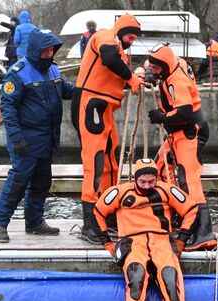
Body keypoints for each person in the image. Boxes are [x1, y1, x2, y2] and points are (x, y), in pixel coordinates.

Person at [94, 158, 197, 301]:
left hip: (161, 241)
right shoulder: (120, 192)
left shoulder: (166, 190)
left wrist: (182, 240)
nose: (148, 186)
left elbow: (192, 209)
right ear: (135, 179)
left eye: (151, 181)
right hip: (133, 242)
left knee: (170, 277)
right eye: (143, 182)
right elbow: (97, 211)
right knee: (136, 276)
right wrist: (107, 242)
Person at [0, 28, 74, 243]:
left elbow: (64, 89)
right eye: (46, 51)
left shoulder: (53, 69)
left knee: (42, 182)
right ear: (36, 50)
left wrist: (87, 89)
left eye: (52, 51)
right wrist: (17, 138)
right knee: (18, 182)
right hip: (26, 140)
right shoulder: (18, 73)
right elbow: (8, 109)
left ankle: (34, 222)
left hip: (47, 138)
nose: (49, 54)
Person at [71, 13, 143, 244]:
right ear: (121, 30)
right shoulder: (105, 36)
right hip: (90, 104)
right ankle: (90, 225)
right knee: (95, 163)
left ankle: (108, 212)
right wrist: (131, 78)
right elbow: (109, 58)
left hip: (105, 109)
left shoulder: (120, 49)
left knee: (111, 162)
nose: (132, 40)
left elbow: (115, 66)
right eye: (131, 35)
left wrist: (136, 77)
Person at [147, 43, 218, 250]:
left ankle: (203, 232)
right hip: (177, 133)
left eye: (157, 68)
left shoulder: (176, 81)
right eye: (153, 67)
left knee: (189, 180)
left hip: (189, 132)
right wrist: (153, 75)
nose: (154, 70)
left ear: (166, 65)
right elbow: (157, 63)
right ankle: (173, 215)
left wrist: (163, 117)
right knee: (158, 169)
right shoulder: (174, 63)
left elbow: (185, 112)